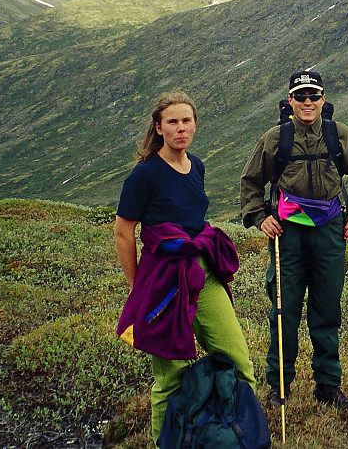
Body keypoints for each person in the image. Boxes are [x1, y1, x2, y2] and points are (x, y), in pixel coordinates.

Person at [114, 91, 257, 446]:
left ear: (195, 124)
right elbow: (123, 231)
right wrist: (138, 286)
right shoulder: (144, 175)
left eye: (186, 120)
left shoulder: (198, 166)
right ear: (159, 128)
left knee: (238, 361)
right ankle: (169, 442)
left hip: (203, 274)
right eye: (173, 122)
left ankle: (239, 436)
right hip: (163, 279)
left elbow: (191, 219)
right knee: (171, 378)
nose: (181, 128)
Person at [240, 70, 348, 411]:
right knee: (283, 311)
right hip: (287, 235)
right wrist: (261, 218)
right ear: (290, 101)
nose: (307, 102)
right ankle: (279, 387)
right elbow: (250, 183)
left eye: (313, 96)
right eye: (300, 96)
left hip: (330, 232)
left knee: (327, 310)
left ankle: (328, 386)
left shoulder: (340, 136)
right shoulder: (275, 139)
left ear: (323, 99)